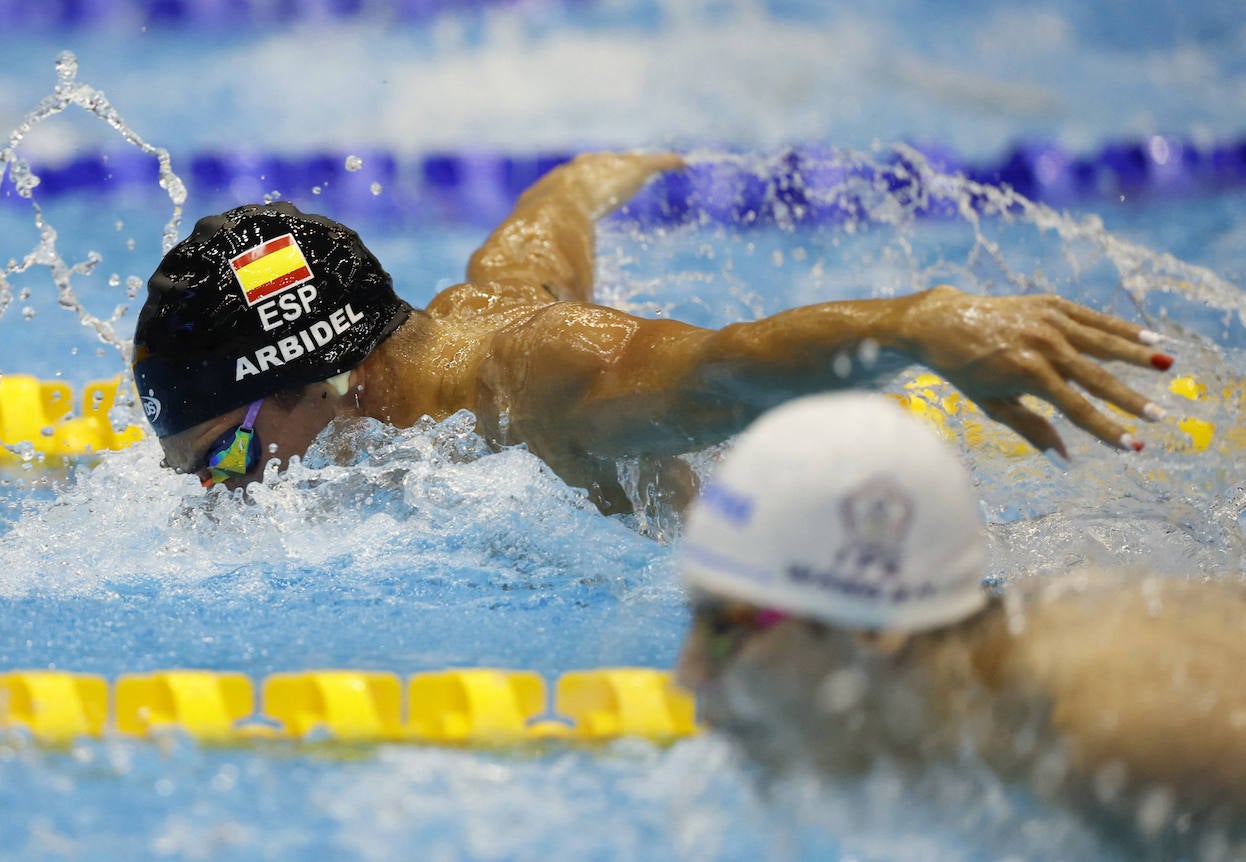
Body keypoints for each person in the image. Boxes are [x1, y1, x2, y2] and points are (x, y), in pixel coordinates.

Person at [132, 151, 1175, 513]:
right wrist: (601, 174)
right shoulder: (471, 310)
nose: (225, 499)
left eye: (225, 457)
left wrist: (923, 325)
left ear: (327, 381)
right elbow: (546, 221)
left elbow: (723, 372)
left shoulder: (531, 378)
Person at [675, 391, 1246, 857]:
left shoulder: (1136, 735)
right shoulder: (956, 718)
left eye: (730, 627)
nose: (688, 673)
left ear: (875, 628)